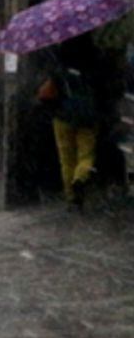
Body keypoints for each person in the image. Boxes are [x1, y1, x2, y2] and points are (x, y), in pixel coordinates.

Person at [38, 34, 123, 210]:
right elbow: (105, 89)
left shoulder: (59, 66)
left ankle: (71, 197)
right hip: (88, 118)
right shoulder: (95, 63)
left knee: (66, 159)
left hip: (63, 117)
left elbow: (45, 94)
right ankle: (80, 178)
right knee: (86, 155)